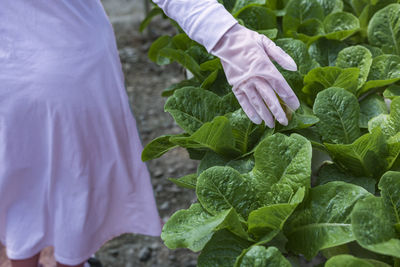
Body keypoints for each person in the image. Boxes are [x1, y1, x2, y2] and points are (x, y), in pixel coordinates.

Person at [0, 0, 299, 267]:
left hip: (8, 74)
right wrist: (226, 36)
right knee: (75, 191)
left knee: (18, 194)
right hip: (71, 66)